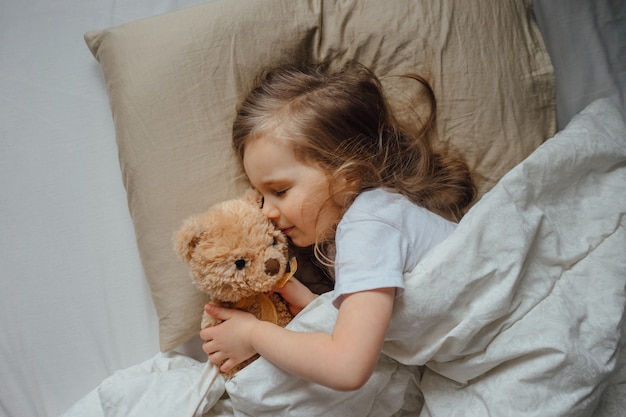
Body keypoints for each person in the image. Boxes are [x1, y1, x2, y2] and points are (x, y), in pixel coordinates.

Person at [200, 61, 475, 391]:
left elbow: (347, 367)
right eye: (260, 195)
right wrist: (312, 303)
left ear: (348, 177)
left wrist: (253, 335)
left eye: (280, 191)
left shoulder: (367, 227)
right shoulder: (365, 220)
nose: (266, 212)